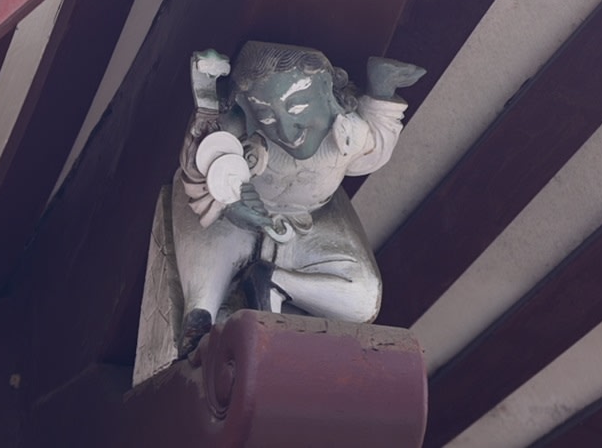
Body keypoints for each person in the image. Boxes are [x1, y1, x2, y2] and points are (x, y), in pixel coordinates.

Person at [170, 40, 421, 356]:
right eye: (267, 116)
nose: (287, 131)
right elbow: (201, 158)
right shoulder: (239, 130)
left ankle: (275, 284)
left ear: (328, 93)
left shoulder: (347, 133)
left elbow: (374, 150)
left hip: (312, 225)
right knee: (209, 243)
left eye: (298, 107)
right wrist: (231, 203)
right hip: (238, 221)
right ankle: (202, 318)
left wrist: (381, 92)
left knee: (362, 298)